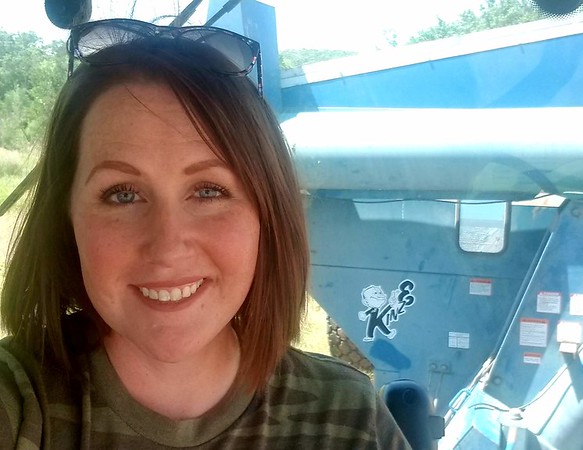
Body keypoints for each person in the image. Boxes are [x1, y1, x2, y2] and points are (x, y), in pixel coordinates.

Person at [0, 18, 411, 449]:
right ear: (65, 217)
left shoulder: (347, 421)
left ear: (265, 213)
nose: (168, 245)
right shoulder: (21, 403)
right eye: (122, 195)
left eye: (209, 190)